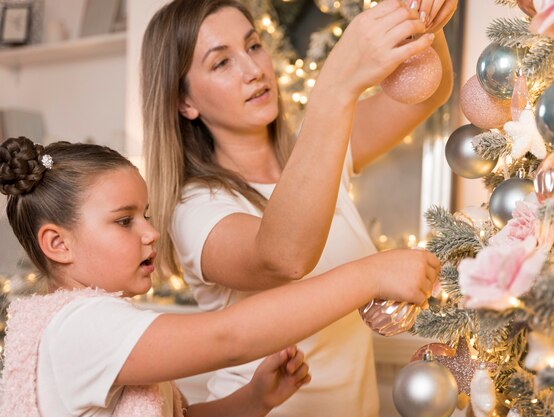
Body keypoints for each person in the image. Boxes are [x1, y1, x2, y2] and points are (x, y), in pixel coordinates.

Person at [141, 0, 453, 415]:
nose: (253, 70)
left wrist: (424, 19)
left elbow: (426, 93)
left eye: (253, 46)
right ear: (185, 103)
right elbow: (283, 257)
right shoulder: (195, 207)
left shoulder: (315, 151)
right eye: (221, 63)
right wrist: (338, 82)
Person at [0, 136, 439, 417]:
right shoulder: (82, 328)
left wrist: (253, 400)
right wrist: (370, 274)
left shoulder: (96, 325)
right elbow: (229, 339)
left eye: (147, 215)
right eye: (124, 221)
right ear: (58, 244)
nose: (151, 233)